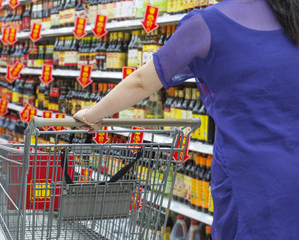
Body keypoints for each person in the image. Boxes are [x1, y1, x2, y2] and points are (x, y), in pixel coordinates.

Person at [73, 0, 299, 239]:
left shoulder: (207, 24)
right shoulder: (292, 17)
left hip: (249, 178)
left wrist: (92, 114)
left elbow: (142, 81)